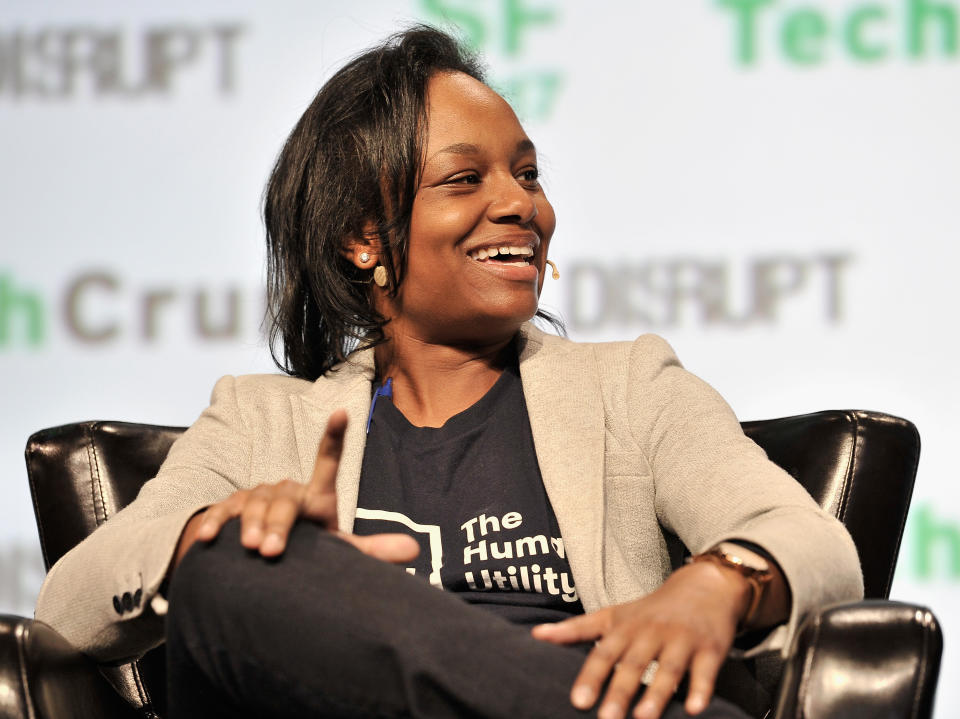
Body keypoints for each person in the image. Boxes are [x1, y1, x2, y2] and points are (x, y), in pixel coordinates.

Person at [34, 26, 862, 719]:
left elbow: (816, 543)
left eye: (528, 174)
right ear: (365, 238)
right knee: (225, 563)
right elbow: (65, 612)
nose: (522, 206)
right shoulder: (260, 422)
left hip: (586, 691)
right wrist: (206, 537)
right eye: (466, 179)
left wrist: (721, 582)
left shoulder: (629, 389)